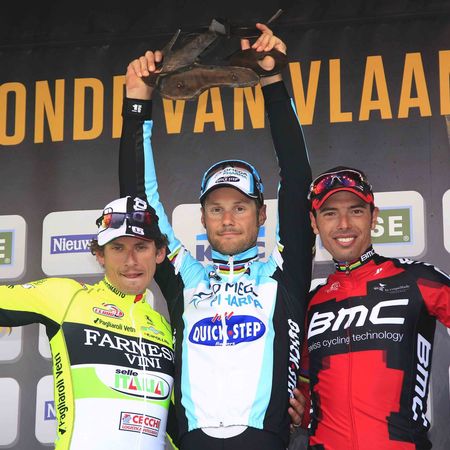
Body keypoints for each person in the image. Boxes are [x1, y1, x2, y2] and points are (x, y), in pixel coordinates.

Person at [119, 23, 313, 450]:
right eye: (216, 209)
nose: (227, 219)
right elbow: (140, 205)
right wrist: (138, 102)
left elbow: (297, 180)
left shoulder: (282, 273)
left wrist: (272, 81)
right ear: (203, 218)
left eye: (240, 207)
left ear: (262, 215)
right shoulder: (185, 278)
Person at [0, 195, 177, 450]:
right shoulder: (66, 297)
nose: (130, 260)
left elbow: (179, 426)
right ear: (100, 255)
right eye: (118, 248)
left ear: (159, 253)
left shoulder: (165, 328)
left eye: (141, 247)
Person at [299, 166, 450, 449]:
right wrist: (296, 407)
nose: (344, 224)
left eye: (356, 211)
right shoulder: (311, 303)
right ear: (314, 223)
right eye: (330, 213)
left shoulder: (415, 279)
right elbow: (302, 392)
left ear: (374, 217)